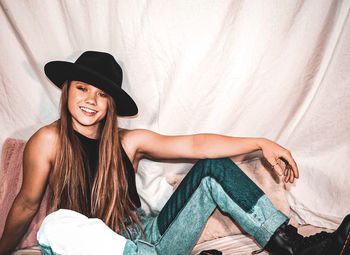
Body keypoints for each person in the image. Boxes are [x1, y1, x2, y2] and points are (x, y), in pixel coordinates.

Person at [0, 51, 349, 255]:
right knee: (54, 225)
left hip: (145, 238)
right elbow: (27, 204)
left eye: (102, 94)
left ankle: (296, 249)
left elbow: (195, 144)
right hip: (88, 245)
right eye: (83, 88)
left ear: (111, 104)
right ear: (67, 91)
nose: (91, 100)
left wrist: (261, 142)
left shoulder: (127, 142)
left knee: (213, 167)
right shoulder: (48, 141)